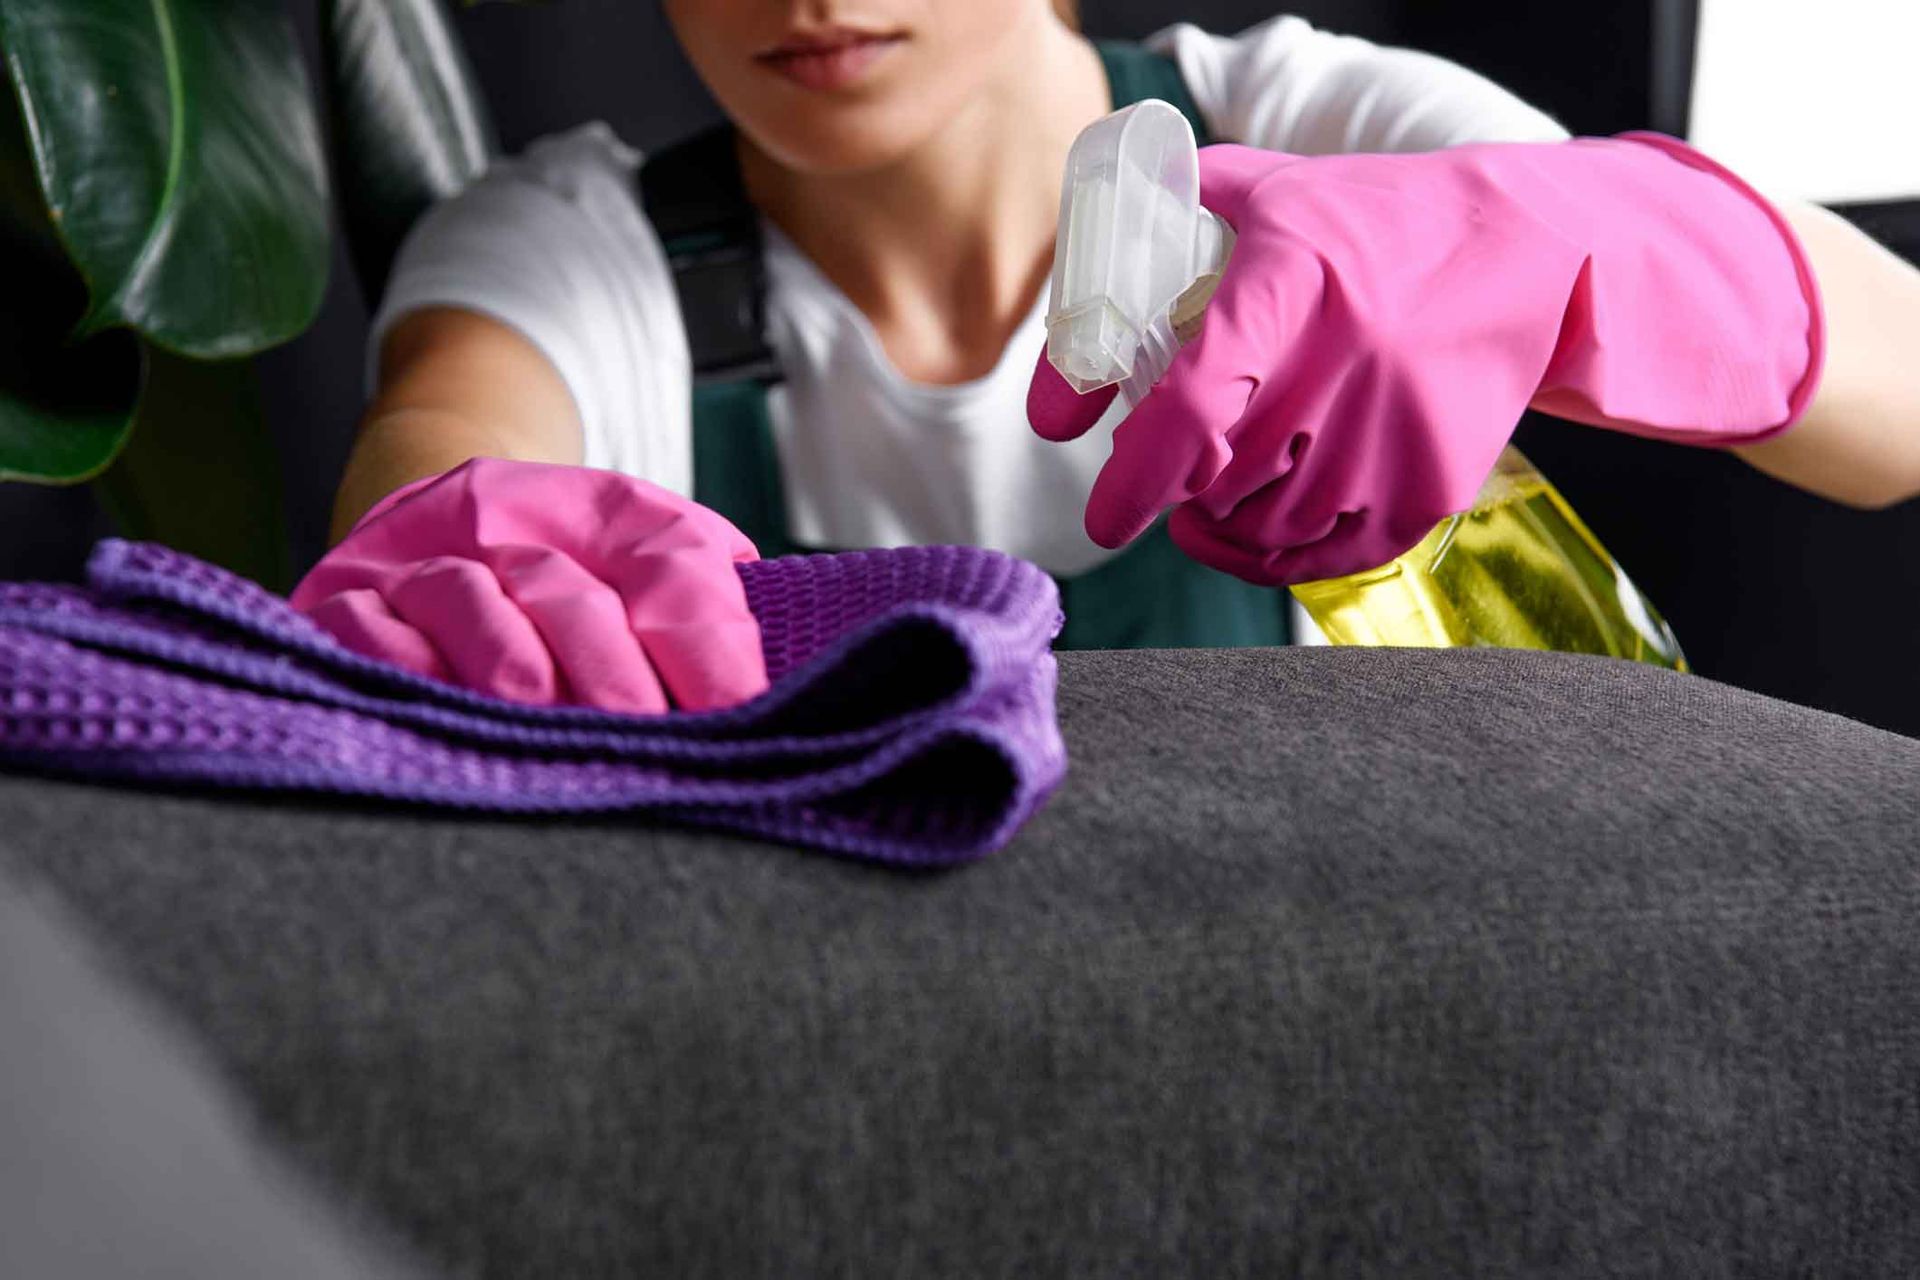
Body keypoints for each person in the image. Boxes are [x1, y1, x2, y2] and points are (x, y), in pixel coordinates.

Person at [293, 1, 1920, 714]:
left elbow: (1898, 399)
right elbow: (448, 420)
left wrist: (1606, 238)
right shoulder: (575, 247)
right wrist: (442, 524)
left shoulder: (1315, 125)